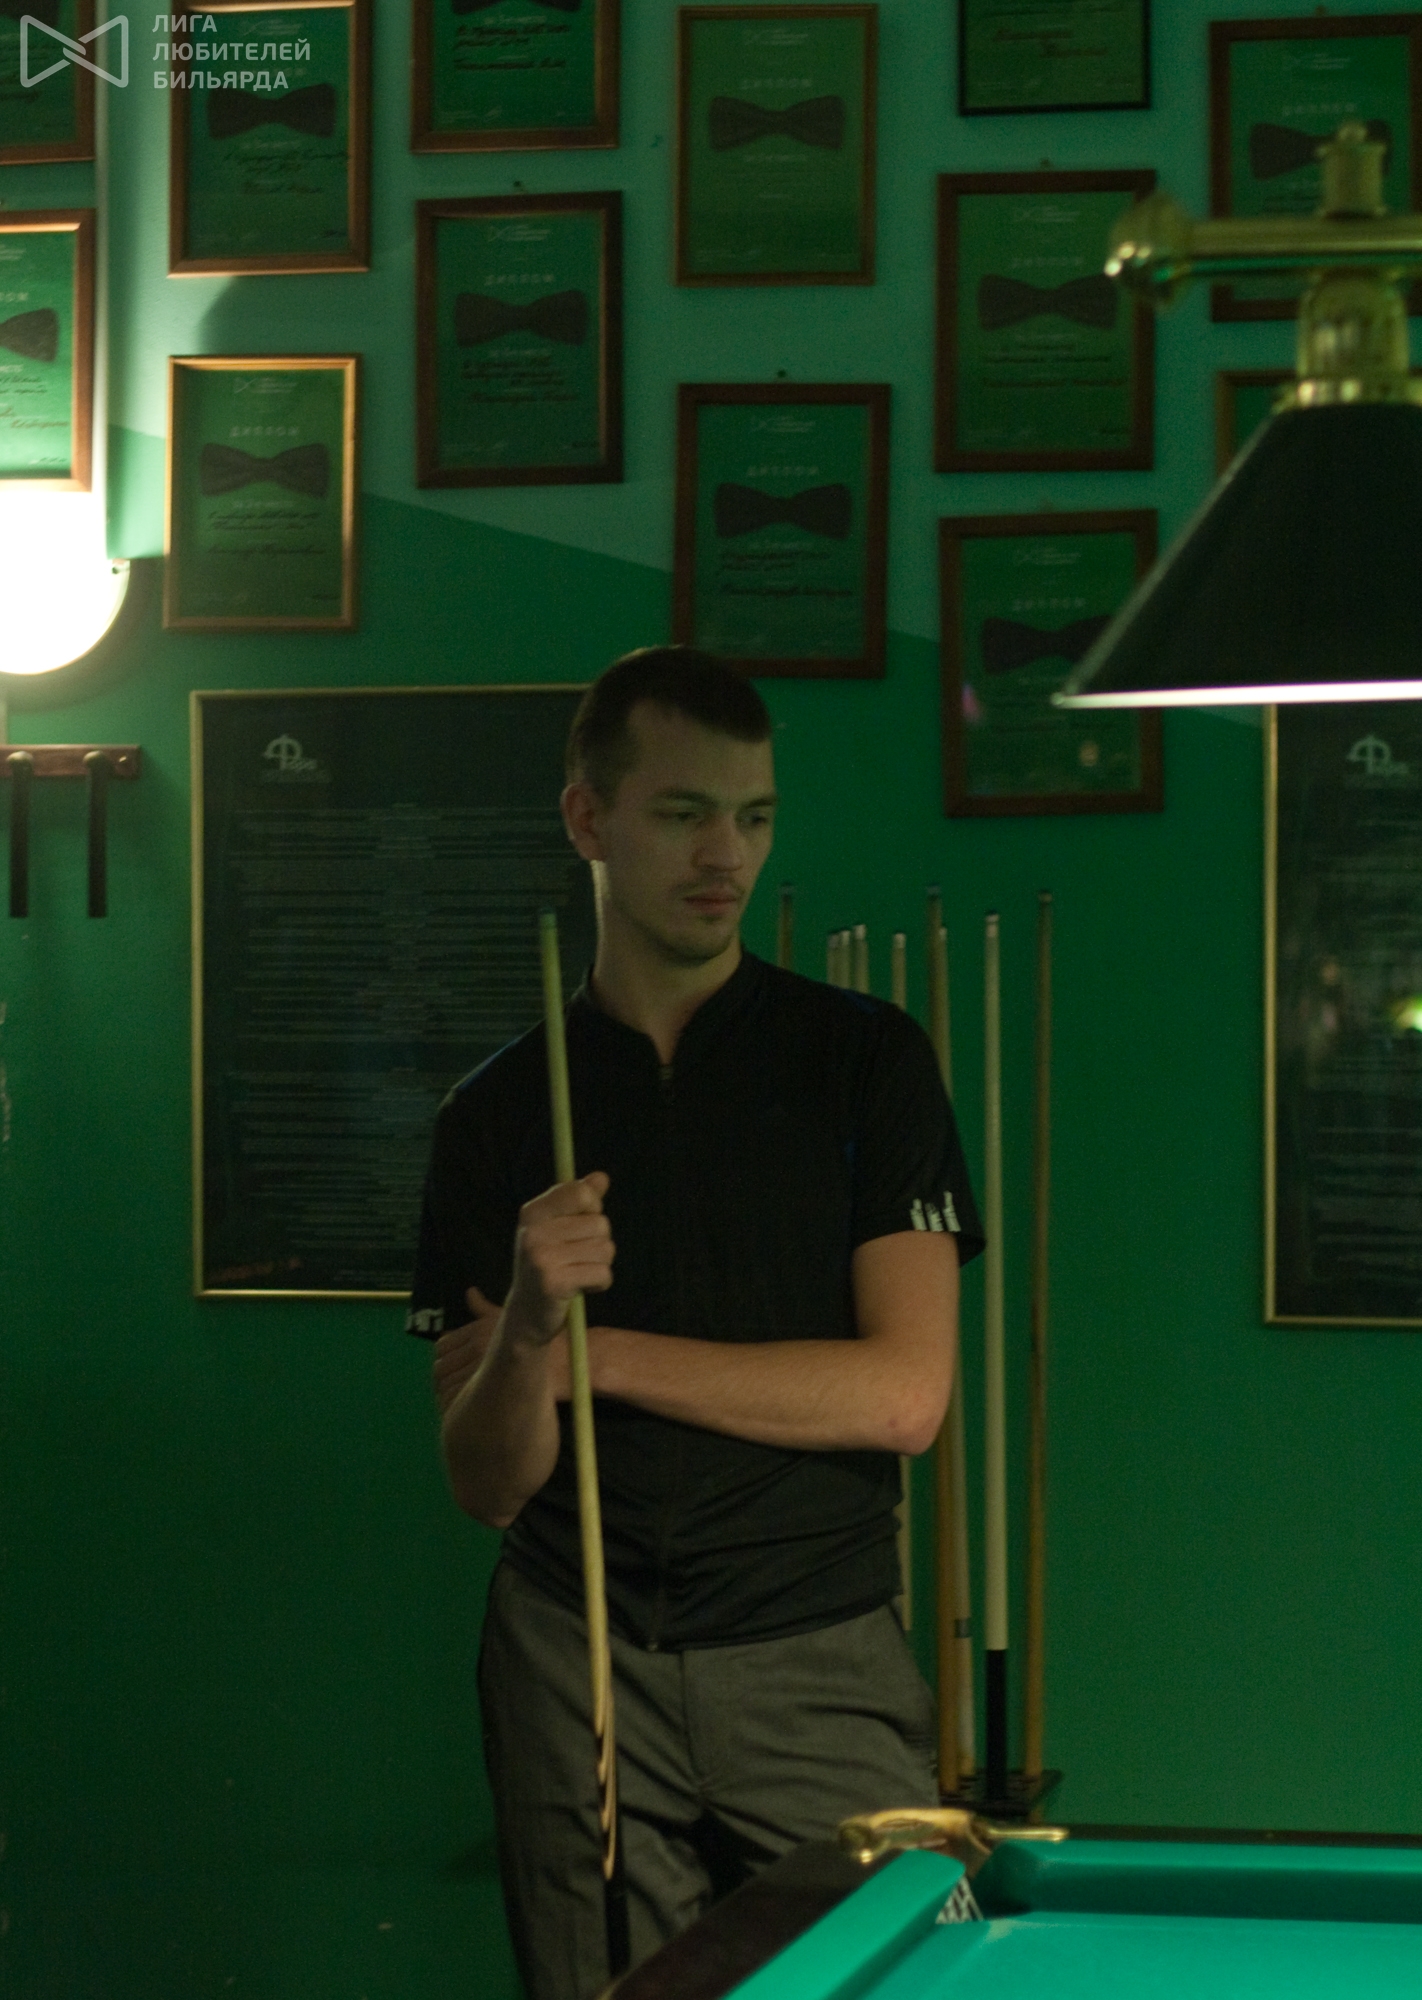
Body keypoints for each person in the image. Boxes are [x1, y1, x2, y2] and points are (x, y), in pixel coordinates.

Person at [407, 646, 984, 2000]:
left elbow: (902, 1397)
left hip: (815, 1645)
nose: (726, 855)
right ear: (587, 818)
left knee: (901, 1984)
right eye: (683, 814)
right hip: (575, 1657)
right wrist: (528, 1327)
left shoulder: (866, 1059)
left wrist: (588, 1356)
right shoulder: (494, 1115)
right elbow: (488, 1484)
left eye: (753, 815)